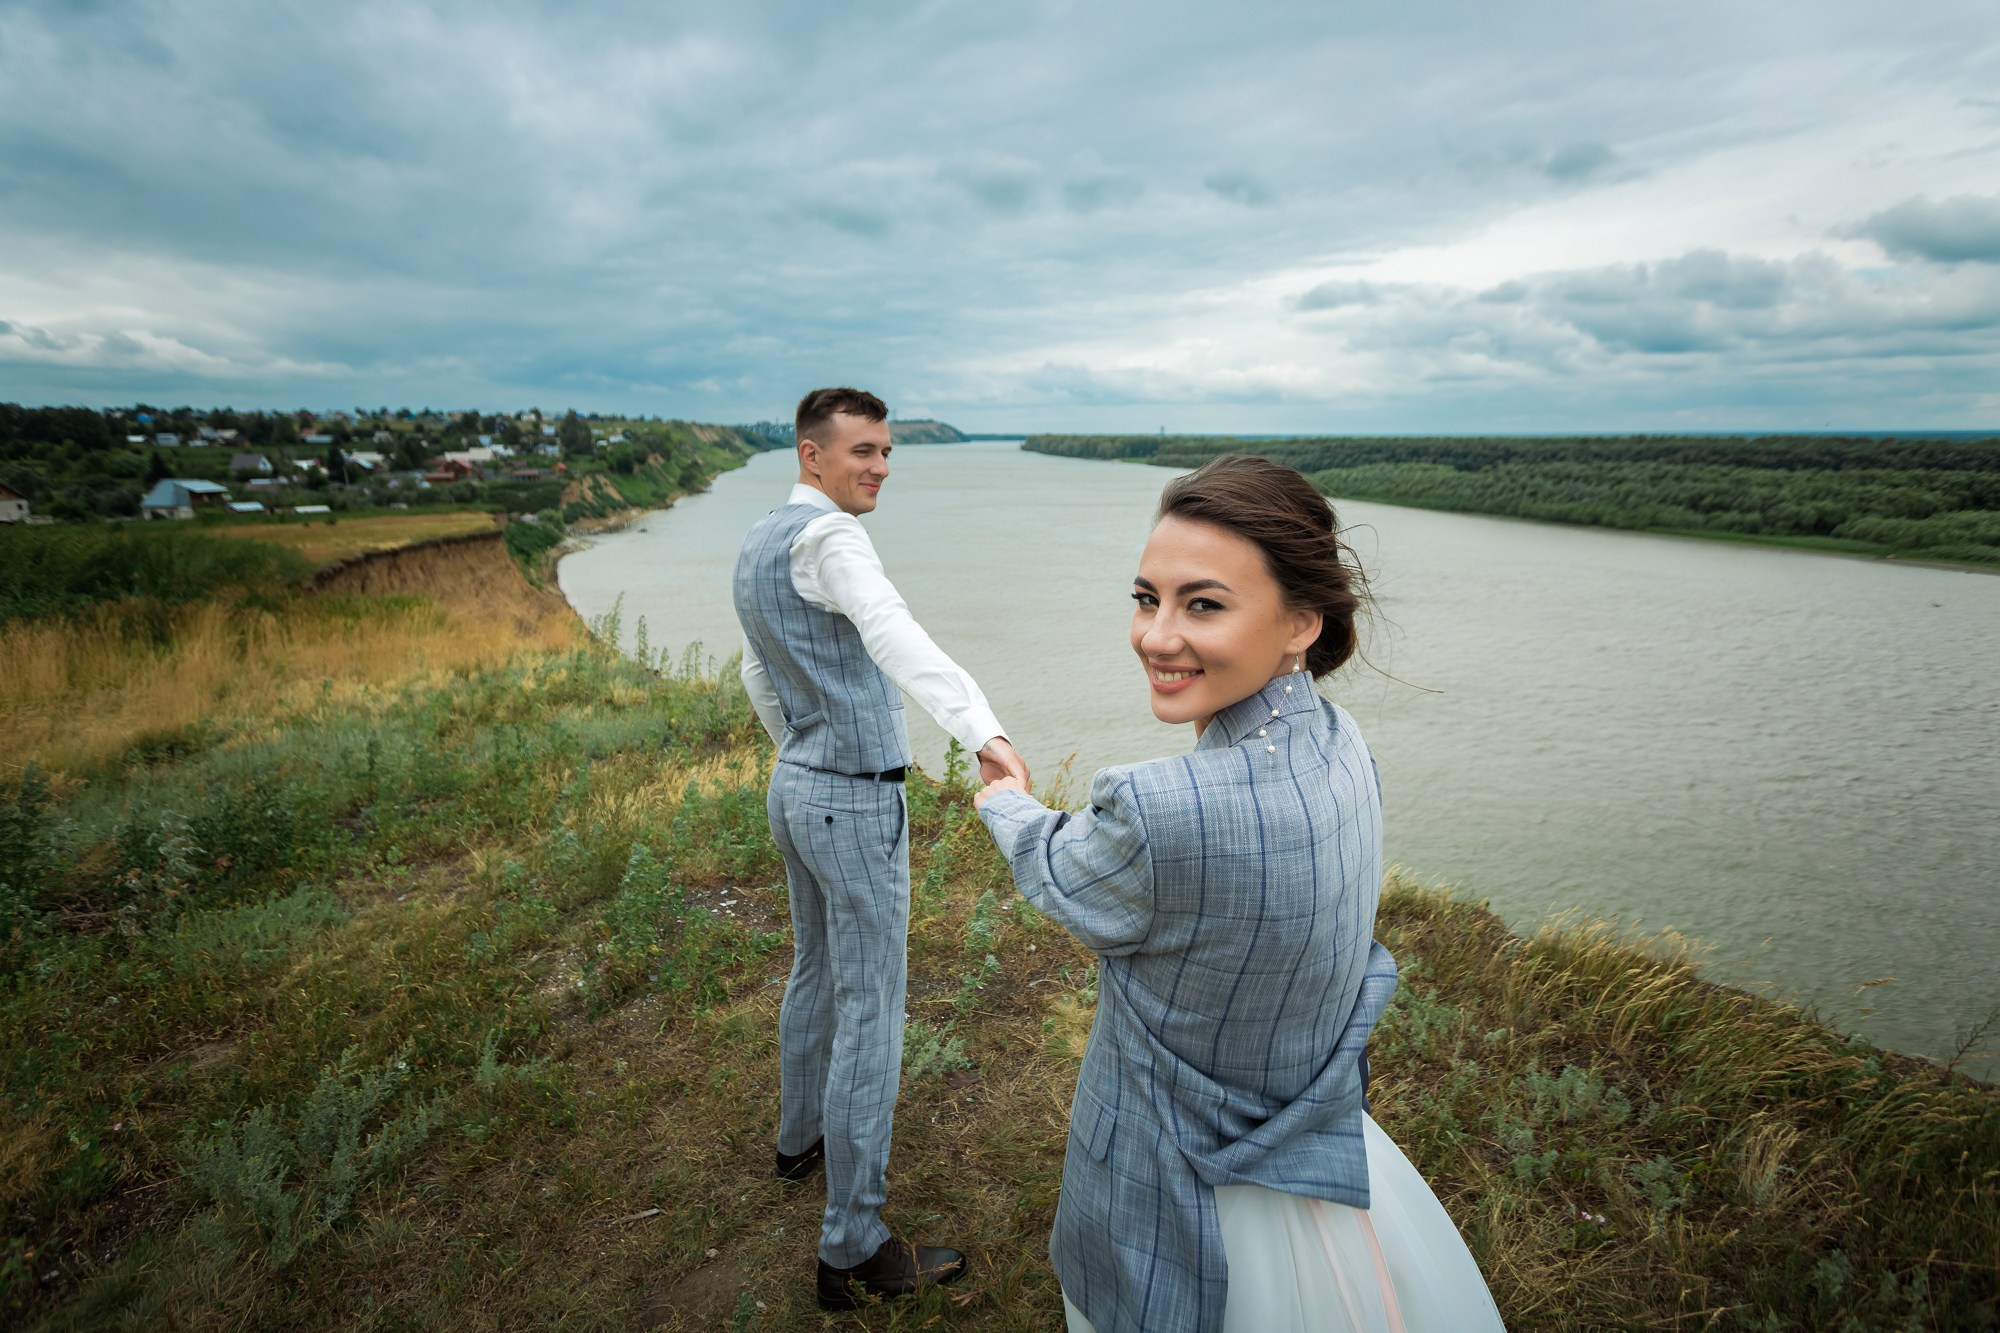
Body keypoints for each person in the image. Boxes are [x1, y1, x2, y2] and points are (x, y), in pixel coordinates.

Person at [975, 455, 1504, 1333]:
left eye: (1204, 604)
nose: (1156, 634)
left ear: (1302, 620)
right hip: (1314, 1147)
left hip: (1178, 1190)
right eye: (1148, 597)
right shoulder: (1345, 746)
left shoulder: (1158, 809)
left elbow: (1065, 870)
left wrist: (1005, 800)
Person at [732, 386, 1030, 1310]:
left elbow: (758, 666)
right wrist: (981, 729)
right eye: (863, 451)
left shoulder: (758, 542)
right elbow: (892, 630)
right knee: (872, 1009)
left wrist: (798, 747)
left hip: (796, 785)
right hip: (851, 804)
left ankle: (797, 1142)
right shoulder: (829, 540)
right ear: (811, 455)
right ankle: (853, 1247)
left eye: (888, 451)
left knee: (815, 969)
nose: (881, 468)